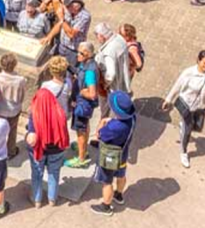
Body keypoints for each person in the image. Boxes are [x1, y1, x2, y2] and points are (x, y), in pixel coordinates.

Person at [162, 50, 205, 168]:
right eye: (204, 63)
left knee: (197, 127)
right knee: (187, 131)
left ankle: (184, 127)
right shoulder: (188, 73)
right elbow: (177, 86)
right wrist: (168, 100)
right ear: (198, 60)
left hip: (201, 106)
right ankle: (183, 152)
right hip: (186, 105)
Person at [90, 91, 136, 217]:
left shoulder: (114, 127)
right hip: (123, 156)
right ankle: (119, 194)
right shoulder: (132, 119)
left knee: (107, 181)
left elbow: (99, 135)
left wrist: (102, 122)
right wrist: (112, 120)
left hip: (111, 158)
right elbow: (121, 122)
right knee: (121, 175)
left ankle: (106, 206)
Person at [26, 88, 70, 208]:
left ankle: (37, 200)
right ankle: (52, 199)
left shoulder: (34, 114)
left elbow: (31, 134)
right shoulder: (60, 112)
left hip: (40, 150)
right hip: (56, 149)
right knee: (54, 173)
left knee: (37, 174)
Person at [66, 41, 99, 169]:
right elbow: (79, 74)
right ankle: (83, 148)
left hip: (82, 105)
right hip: (82, 105)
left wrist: (81, 92)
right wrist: (68, 66)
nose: (77, 55)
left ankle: (81, 158)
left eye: (80, 53)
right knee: (85, 126)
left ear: (87, 54)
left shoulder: (90, 71)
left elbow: (92, 94)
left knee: (81, 130)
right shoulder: (86, 64)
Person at [0, 53, 27, 158]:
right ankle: (11, 151)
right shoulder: (20, 80)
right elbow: (22, 96)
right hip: (13, 109)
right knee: (12, 130)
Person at [49, 0, 91, 67]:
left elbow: (71, 34)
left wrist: (61, 19)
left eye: (68, 7)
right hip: (62, 45)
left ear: (76, 8)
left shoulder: (85, 16)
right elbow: (60, 25)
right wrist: (49, 37)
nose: (66, 9)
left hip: (73, 50)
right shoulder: (69, 10)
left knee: (69, 72)